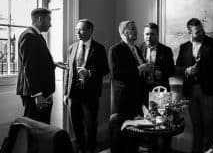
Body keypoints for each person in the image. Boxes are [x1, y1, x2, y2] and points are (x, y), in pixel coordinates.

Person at [176, 18, 213, 153]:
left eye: (202, 30)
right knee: (196, 125)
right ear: (189, 32)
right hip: (191, 91)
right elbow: (177, 68)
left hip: (210, 91)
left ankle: (211, 150)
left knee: (209, 124)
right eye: (197, 32)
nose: (201, 33)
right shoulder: (184, 47)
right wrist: (186, 70)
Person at [63, 19, 109, 153]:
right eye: (76, 29)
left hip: (90, 94)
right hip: (73, 94)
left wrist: (89, 73)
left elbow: (105, 69)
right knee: (76, 126)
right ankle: (80, 150)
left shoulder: (99, 48)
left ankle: (90, 150)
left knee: (90, 126)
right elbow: (68, 71)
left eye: (81, 29)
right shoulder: (72, 48)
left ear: (90, 31)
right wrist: (66, 93)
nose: (77, 32)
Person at [108, 20, 152, 153]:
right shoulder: (115, 50)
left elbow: (138, 74)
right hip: (124, 101)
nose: (135, 31)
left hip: (137, 100)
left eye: (135, 28)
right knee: (120, 136)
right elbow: (116, 74)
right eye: (131, 29)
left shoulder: (137, 49)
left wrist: (146, 73)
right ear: (122, 33)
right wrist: (140, 69)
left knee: (134, 137)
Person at [16, 8, 55, 124]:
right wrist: (38, 95)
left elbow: (36, 63)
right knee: (35, 129)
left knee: (42, 128)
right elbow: (29, 68)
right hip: (36, 95)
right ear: (40, 19)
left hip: (42, 93)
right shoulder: (29, 36)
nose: (51, 24)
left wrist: (53, 64)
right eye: (49, 20)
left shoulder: (37, 36)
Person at [139, 22, 175, 93]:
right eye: (147, 34)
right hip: (141, 89)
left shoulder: (166, 50)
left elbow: (171, 70)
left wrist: (162, 74)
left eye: (152, 34)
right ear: (143, 34)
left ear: (157, 35)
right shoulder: (138, 49)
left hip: (160, 90)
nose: (149, 37)